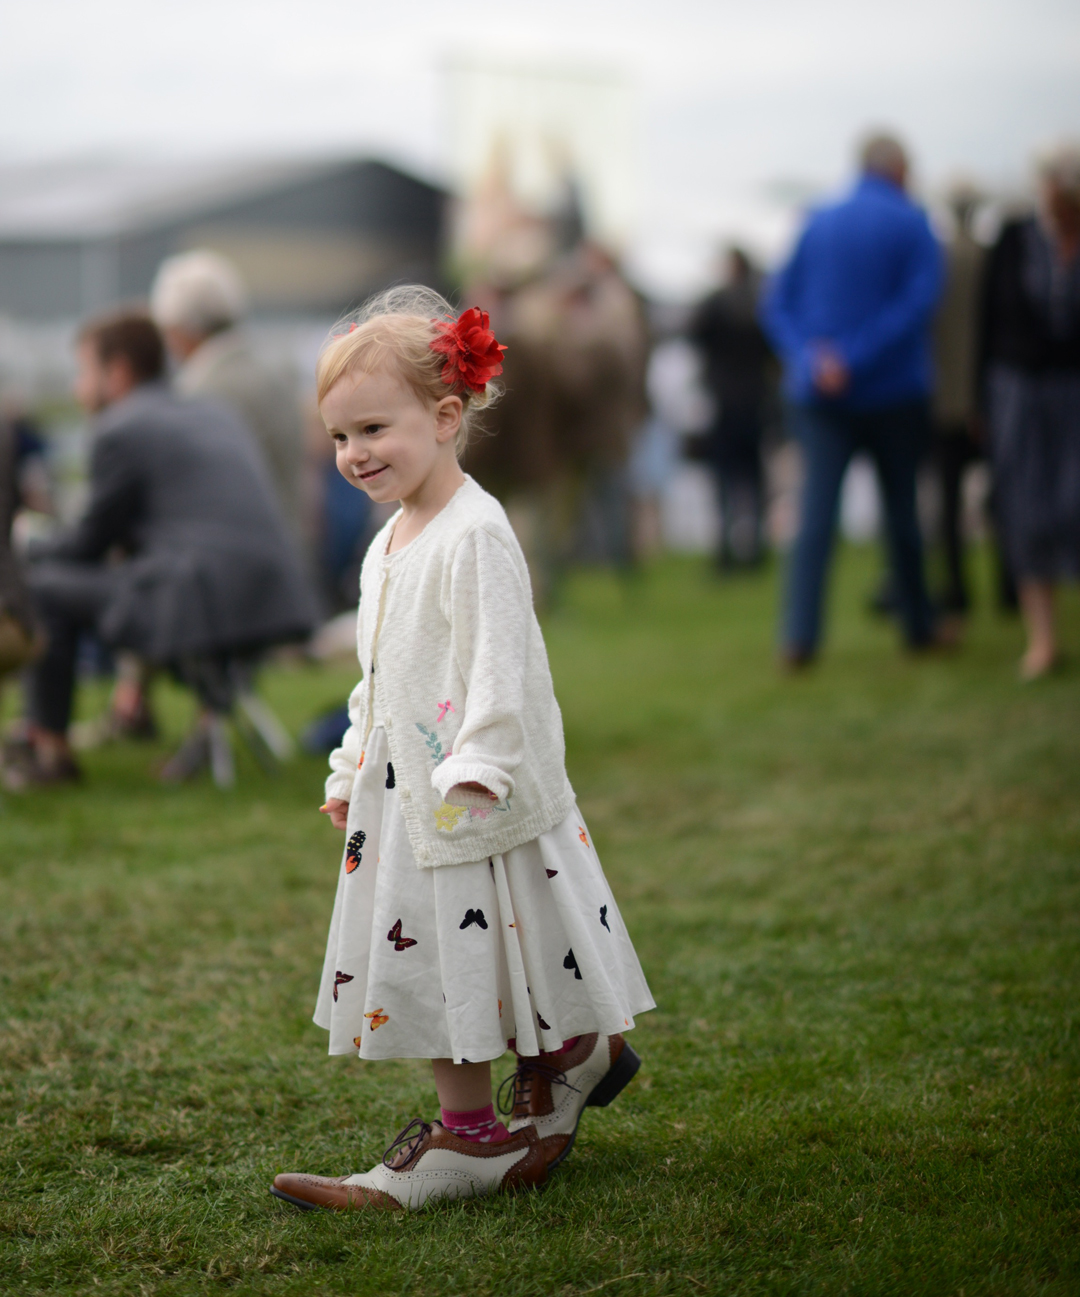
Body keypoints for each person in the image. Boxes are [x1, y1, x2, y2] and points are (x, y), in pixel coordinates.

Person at [270, 287, 654, 1214]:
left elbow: (500, 666)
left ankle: (482, 1128)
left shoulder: (476, 533)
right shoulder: (391, 539)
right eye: (338, 437)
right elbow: (381, 669)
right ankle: (546, 1071)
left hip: (467, 793)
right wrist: (353, 758)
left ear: (446, 417)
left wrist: (476, 765)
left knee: (466, 957)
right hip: (405, 801)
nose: (353, 454)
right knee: (458, 955)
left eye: (372, 428)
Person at [3, 311, 315, 788]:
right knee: (104, 581)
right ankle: (92, 727)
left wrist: (26, 548)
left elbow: (89, 543)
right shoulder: (208, 409)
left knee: (44, 590)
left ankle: (49, 750)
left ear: (119, 371)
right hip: (272, 595)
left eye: (83, 372)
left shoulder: (121, 427)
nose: (76, 389)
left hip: (201, 600)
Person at [762, 132, 945, 666]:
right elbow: (919, 303)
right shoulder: (914, 222)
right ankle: (918, 626)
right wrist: (855, 358)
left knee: (815, 517)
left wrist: (813, 358)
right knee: (903, 516)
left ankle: (799, 638)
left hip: (820, 395)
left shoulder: (816, 219)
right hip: (893, 391)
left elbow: (777, 304)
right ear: (900, 170)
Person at [979, 144, 1080, 680]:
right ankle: (1042, 639)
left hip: (1073, 393)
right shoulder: (1015, 238)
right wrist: (978, 404)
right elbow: (988, 324)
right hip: (1020, 394)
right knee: (1027, 511)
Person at [150, 250, 306, 541]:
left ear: (178, 329)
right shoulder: (272, 373)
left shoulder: (201, 391)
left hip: (240, 559)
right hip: (286, 550)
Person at [689, 246, 774, 570]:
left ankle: (726, 548)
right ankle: (754, 548)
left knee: (725, 481)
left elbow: (694, 335)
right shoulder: (760, 304)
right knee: (753, 481)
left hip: (725, 402)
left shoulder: (716, 304)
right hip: (755, 400)